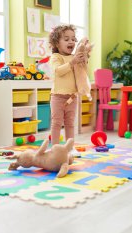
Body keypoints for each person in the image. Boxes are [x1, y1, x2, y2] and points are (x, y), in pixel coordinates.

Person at [48, 24, 87, 152]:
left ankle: (69, 148)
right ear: (57, 44)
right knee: (56, 124)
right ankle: (55, 149)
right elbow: (58, 71)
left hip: (72, 97)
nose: (71, 41)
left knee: (70, 124)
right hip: (58, 97)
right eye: (66, 39)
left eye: (73, 39)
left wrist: (84, 58)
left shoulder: (73, 57)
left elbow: (81, 72)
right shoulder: (56, 57)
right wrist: (72, 62)